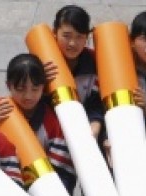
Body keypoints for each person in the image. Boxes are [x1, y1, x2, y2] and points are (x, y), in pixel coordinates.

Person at [0, 54, 77, 194]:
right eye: (21, 89)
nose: (28, 96)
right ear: (8, 86)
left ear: (43, 87)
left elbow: (63, 171)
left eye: (35, 89)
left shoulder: (52, 123)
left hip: (46, 193)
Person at [48, 5, 104, 139]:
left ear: (87, 37)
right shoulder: (43, 63)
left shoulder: (95, 62)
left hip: (85, 129)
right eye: (66, 36)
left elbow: (96, 104)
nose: (72, 43)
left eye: (79, 37)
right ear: (54, 33)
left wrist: (95, 125)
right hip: (51, 131)